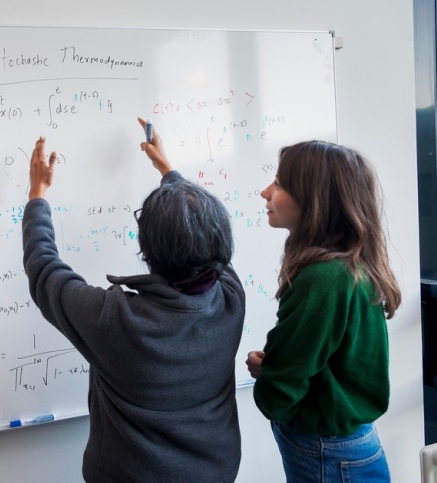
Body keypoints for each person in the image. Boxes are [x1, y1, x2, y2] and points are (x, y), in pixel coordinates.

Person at [21, 118, 246, 482]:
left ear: (145, 248)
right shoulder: (231, 298)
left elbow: (44, 269)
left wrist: (37, 195)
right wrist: (169, 171)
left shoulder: (115, 320)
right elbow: (207, 240)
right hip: (215, 472)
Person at [245, 140, 402, 482]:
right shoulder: (347, 267)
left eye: (280, 184)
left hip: (327, 451)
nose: (265, 192)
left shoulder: (323, 278)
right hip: (344, 446)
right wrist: (275, 366)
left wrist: (272, 381)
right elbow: (323, 357)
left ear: (314, 200)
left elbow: (283, 387)